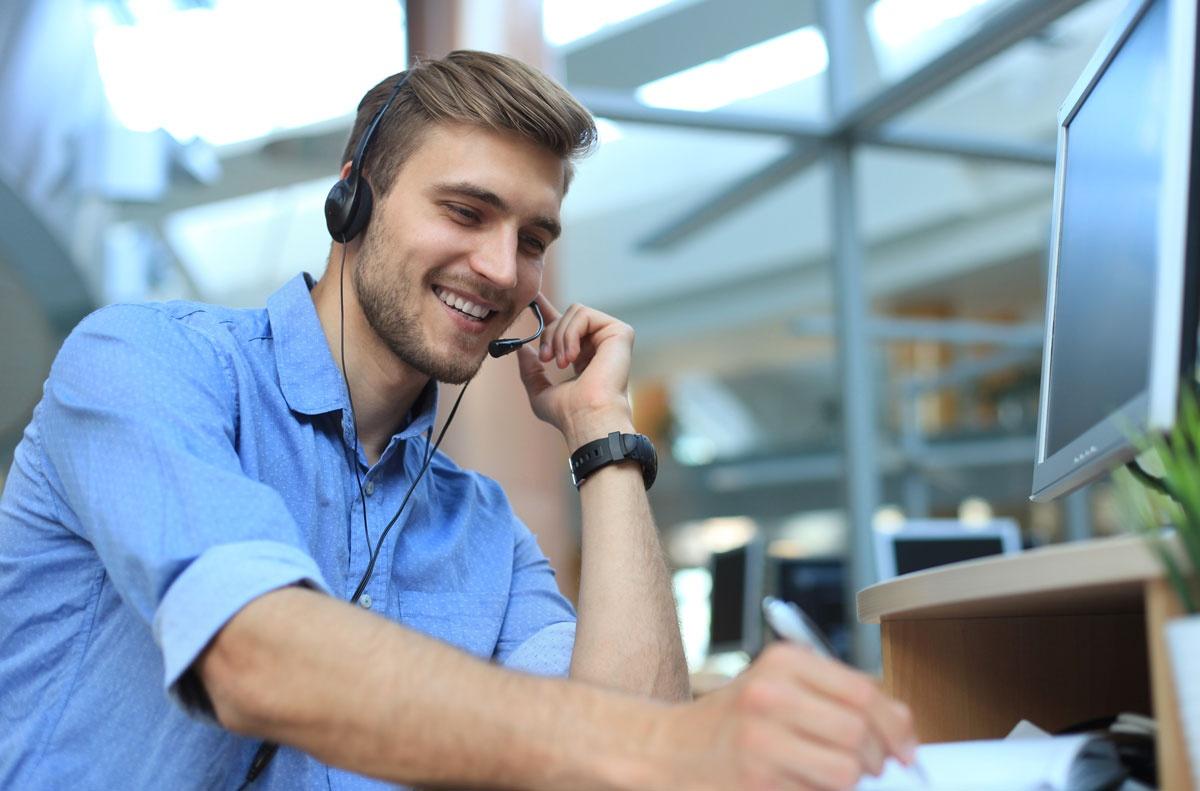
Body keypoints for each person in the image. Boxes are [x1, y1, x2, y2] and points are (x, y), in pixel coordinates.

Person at [0, 50, 917, 789]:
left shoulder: (483, 529)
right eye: (466, 211)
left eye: (533, 239)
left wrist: (602, 437)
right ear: (351, 197)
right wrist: (671, 749)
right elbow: (251, 654)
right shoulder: (142, 364)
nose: (502, 267)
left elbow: (625, 753)